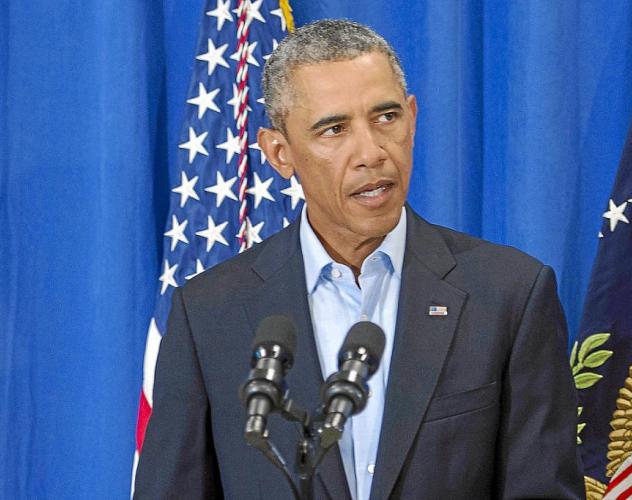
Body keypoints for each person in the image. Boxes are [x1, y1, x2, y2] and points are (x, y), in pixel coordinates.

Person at [135, 19, 584, 499]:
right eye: (334, 129)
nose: (371, 152)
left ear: (412, 118)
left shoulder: (508, 295)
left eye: (386, 117)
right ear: (279, 153)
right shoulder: (209, 314)